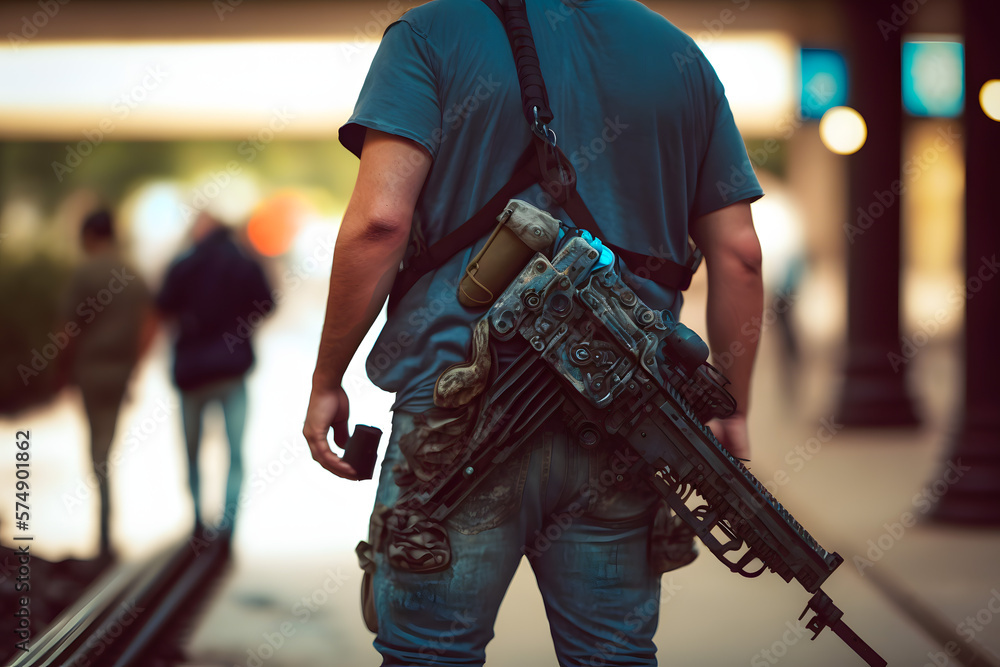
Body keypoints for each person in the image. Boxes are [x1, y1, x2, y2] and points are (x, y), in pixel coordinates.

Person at [303, 0, 764, 663]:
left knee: (428, 652)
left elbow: (379, 222)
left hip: (454, 406)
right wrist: (733, 406)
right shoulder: (682, 58)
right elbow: (739, 255)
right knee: (614, 653)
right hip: (624, 417)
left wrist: (327, 377)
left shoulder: (430, 35)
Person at [157, 212, 273, 537]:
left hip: (191, 372)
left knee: (192, 448)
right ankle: (228, 523)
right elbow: (267, 304)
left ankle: (197, 518)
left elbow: (163, 306)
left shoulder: (183, 263)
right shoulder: (244, 262)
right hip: (232, 372)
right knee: (235, 451)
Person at [61, 209, 155, 561]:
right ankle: (105, 532)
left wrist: (59, 373)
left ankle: (102, 536)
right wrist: (135, 365)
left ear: (89, 236)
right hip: (119, 373)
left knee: (97, 450)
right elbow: (151, 324)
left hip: (90, 370)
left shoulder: (84, 272)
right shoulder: (133, 273)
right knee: (106, 447)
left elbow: (66, 331)